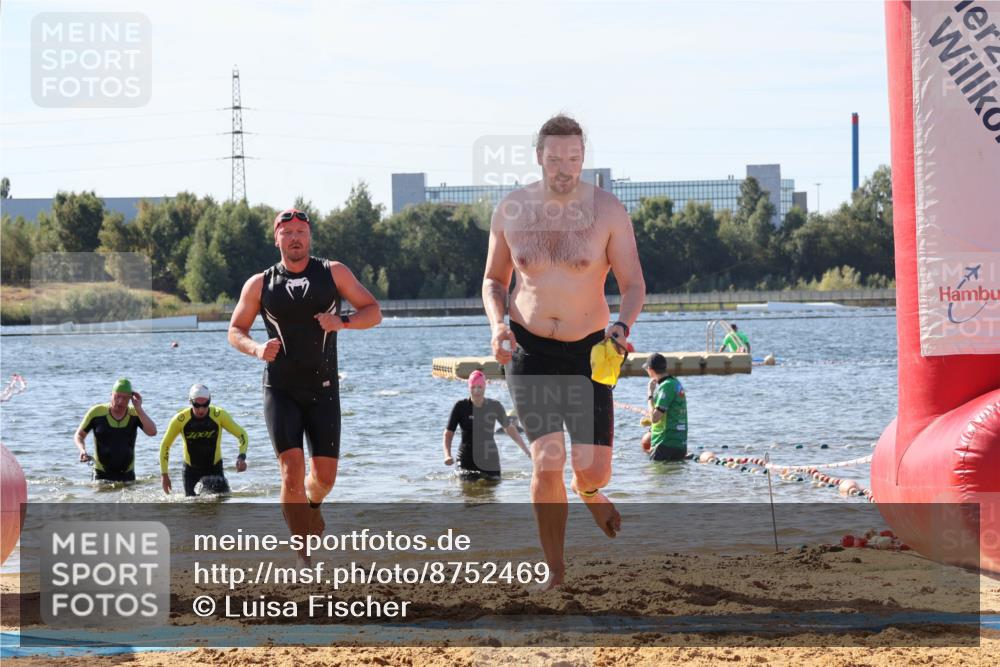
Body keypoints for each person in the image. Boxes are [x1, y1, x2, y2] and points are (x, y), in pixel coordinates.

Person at [482, 114, 646, 588]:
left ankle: (589, 491)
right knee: (546, 458)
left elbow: (633, 284)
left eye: (574, 158)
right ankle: (555, 571)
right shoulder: (511, 210)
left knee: (593, 468)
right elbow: (495, 280)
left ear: (582, 157)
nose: (565, 168)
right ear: (539, 157)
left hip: (592, 350)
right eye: (555, 158)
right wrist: (498, 327)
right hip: (528, 347)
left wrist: (621, 326)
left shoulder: (608, 212)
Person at [228, 208, 382, 560]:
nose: (295, 237)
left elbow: (373, 311)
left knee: (324, 479)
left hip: (324, 390)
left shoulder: (334, 272)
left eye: (301, 231)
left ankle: (313, 505)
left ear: (309, 237)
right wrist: (255, 348)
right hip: (280, 389)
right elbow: (235, 330)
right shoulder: (260, 283)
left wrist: (341, 321)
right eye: (288, 232)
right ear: (276, 238)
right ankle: (303, 556)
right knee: (291, 468)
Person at [159, 384, 249, 496]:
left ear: (210, 401)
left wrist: (241, 457)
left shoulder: (219, 415)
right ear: (190, 401)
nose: (201, 409)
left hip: (214, 469)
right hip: (191, 471)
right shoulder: (180, 419)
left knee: (220, 507)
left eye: (205, 404)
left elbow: (242, 434)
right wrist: (164, 475)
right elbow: (165, 445)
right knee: (192, 507)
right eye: (196, 405)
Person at [443, 370, 530, 482]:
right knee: (467, 493)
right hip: (466, 459)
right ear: (469, 387)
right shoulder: (460, 407)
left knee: (491, 494)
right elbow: (448, 434)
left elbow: (509, 429)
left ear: (485, 387)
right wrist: (447, 455)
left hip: (490, 459)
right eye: (473, 387)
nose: (477, 391)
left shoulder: (494, 406)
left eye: (480, 387)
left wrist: (527, 451)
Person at [75, 378, 157, 482]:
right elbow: (79, 435)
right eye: (117, 396)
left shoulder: (135, 414)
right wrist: (82, 449)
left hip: (127, 475)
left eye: (125, 398)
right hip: (101, 474)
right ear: (111, 395)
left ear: (130, 399)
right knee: (96, 498)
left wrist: (139, 409)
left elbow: (152, 432)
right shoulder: (96, 412)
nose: (120, 401)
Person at [641, 353, 688, 461]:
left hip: (664, 444)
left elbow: (655, 418)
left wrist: (650, 394)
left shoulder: (665, 386)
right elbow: (670, 413)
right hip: (679, 445)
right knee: (673, 476)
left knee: (657, 477)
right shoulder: (675, 382)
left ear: (650, 370)